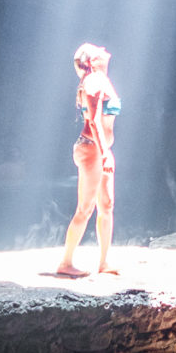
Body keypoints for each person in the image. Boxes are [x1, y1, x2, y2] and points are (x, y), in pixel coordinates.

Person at [57, 42, 119, 277]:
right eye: (98, 49)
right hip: (92, 148)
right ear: (91, 60)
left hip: (99, 148)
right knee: (86, 208)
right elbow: (93, 121)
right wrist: (105, 154)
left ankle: (104, 262)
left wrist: (106, 152)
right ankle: (65, 263)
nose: (104, 48)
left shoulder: (100, 79)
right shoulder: (93, 81)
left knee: (107, 205)